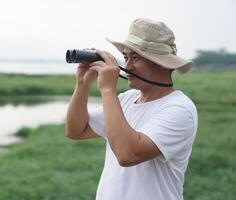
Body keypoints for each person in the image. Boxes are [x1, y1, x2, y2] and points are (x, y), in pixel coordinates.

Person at [65, 18, 198, 200]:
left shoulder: (179, 109)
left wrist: (107, 89)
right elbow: (76, 130)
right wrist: (83, 84)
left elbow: (128, 154)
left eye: (135, 58)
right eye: (126, 57)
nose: (127, 67)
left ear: (161, 63)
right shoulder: (127, 100)